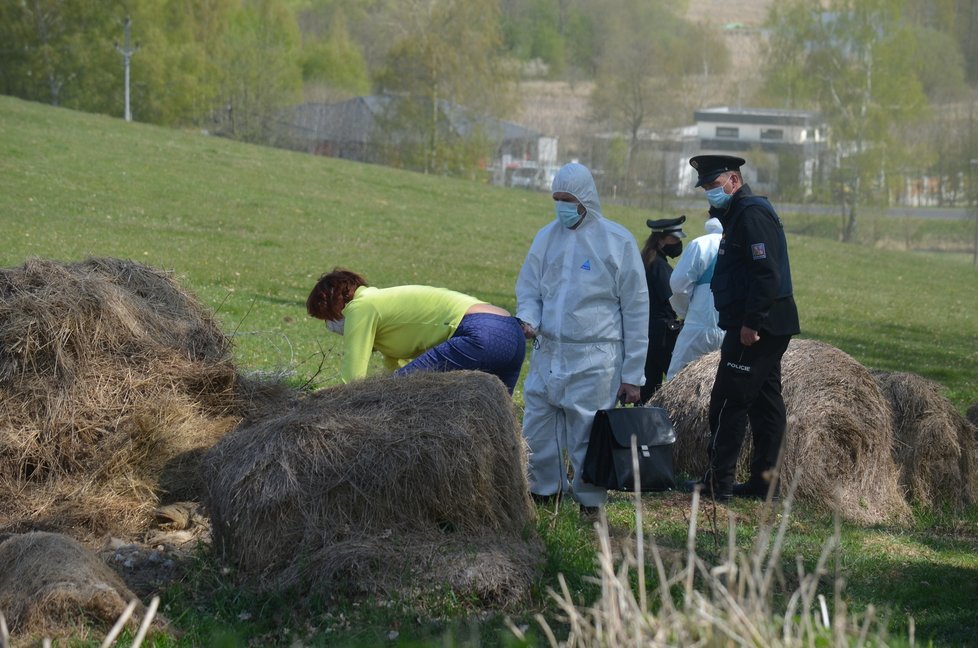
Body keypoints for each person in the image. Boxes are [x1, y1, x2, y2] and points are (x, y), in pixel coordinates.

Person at [515, 162, 650, 515]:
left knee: (587, 435)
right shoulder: (546, 238)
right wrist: (528, 318)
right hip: (548, 351)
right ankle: (544, 494)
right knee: (537, 428)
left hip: (595, 357)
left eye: (568, 198)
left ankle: (591, 504)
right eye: (556, 198)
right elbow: (529, 289)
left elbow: (636, 310)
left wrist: (633, 375)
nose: (561, 205)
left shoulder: (616, 241)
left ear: (586, 198)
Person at [683, 154, 800, 502]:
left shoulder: (751, 214)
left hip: (757, 327)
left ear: (733, 180)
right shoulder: (739, 214)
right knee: (765, 406)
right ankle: (765, 483)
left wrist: (751, 323)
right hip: (764, 323)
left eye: (713, 186)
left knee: (727, 401)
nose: (709, 193)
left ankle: (719, 483)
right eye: (705, 188)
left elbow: (766, 274)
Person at [306, 269, 526, 394]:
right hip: (513, 335)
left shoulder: (361, 307)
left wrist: (327, 403)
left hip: (481, 331)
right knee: (496, 426)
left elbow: (353, 379)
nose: (330, 326)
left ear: (336, 305)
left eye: (327, 319)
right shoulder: (384, 306)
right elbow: (397, 369)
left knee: (399, 393)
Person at [665, 209, 725, 381]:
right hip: (732, 330)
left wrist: (685, 313)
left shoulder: (700, 244)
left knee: (677, 383)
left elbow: (678, 285)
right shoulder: (744, 244)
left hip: (698, 327)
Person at [640, 216, 687, 401]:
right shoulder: (659, 266)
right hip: (663, 335)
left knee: (648, 386)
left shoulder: (648, 260)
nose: (678, 243)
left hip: (648, 331)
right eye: (674, 239)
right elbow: (673, 299)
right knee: (677, 385)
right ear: (660, 240)